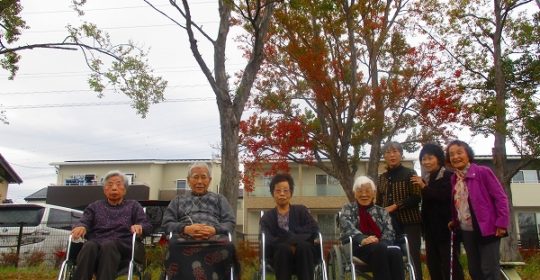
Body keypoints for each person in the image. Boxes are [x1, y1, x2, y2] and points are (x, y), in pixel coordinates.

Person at [161, 162, 238, 280]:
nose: (200, 182)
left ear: (210, 180)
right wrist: (185, 229)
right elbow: (166, 223)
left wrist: (214, 229)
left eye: (203, 177)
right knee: (173, 245)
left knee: (227, 245)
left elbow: (230, 222)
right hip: (185, 238)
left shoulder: (219, 199)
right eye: (195, 177)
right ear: (188, 180)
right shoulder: (178, 200)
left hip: (214, 238)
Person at [71, 170, 152, 280]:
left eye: (118, 184)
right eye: (110, 185)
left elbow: (146, 225)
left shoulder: (133, 206)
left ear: (125, 189)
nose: (114, 188)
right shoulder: (95, 206)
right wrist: (81, 226)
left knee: (108, 245)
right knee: (89, 245)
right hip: (96, 243)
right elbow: (84, 220)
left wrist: (140, 226)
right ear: (105, 190)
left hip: (122, 246)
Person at [446, 140, 509, 280]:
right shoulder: (454, 179)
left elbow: (501, 198)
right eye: (451, 154)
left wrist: (502, 223)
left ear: (468, 154)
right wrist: (455, 221)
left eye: (459, 153)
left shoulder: (483, 172)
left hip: (488, 228)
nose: (455, 157)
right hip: (467, 230)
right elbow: (460, 204)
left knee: (489, 270)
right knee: (474, 270)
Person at [411, 143, 464, 280]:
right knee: (433, 265)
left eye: (430, 158)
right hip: (430, 230)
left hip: (446, 229)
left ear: (439, 159)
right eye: (423, 159)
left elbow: (443, 196)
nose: (426, 162)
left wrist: (424, 187)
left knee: (450, 266)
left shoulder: (449, 175)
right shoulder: (428, 178)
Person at [340, 176, 404, 280]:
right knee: (381, 248)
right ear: (355, 193)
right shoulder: (348, 209)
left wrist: (383, 243)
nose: (364, 194)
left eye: (367, 191)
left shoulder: (381, 211)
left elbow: (389, 231)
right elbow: (347, 227)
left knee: (395, 251)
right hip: (358, 247)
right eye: (360, 191)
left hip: (381, 245)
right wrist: (362, 239)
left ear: (374, 193)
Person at [376, 141, 423, 280]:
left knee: (412, 256)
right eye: (388, 152)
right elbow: (379, 202)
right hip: (389, 225)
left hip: (410, 223)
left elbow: (416, 198)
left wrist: (395, 206)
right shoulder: (382, 178)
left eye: (395, 152)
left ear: (401, 155)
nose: (392, 155)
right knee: (392, 256)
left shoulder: (410, 173)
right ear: (384, 156)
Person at [260, 173, 320, 280]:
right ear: (272, 193)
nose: (282, 194)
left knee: (304, 247)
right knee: (283, 248)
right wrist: (291, 242)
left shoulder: (301, 211)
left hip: (304, 255)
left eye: (285, 190)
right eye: (278, 191)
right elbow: (267, 239)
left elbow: (313, 229)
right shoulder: (267, 217)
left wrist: (292, 241)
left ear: (291, 193)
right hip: (279, 257)